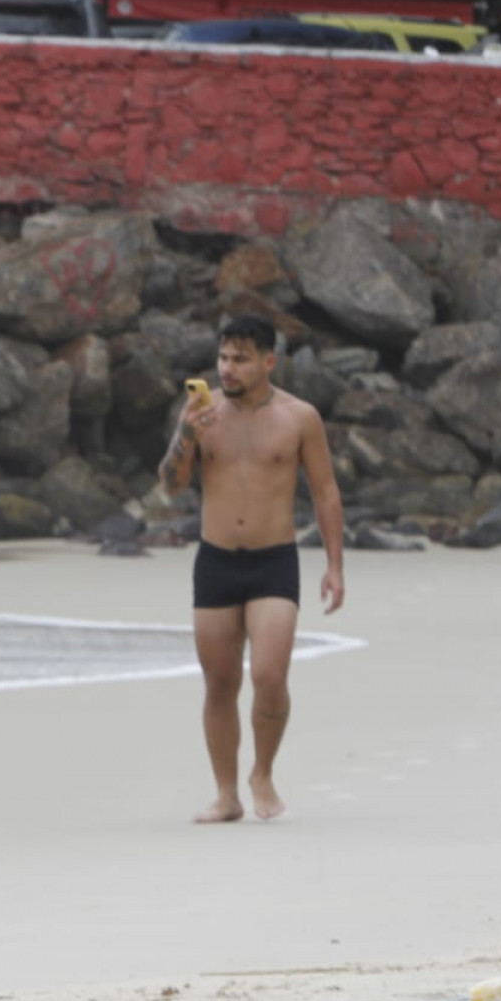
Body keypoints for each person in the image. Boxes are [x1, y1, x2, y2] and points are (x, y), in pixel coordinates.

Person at [157, 313, 346, 824]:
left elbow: (325, 491)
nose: (228, 369)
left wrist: (334, 565)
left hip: (273, 562)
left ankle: (262, 772)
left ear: (268, 361)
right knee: (219, 684)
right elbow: (171, 484)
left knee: (268, 674)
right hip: (215, 560)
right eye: (223, 358)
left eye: (240, 359)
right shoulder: (201, 413)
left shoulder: (299, 417)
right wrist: (184, 434)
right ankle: (226, 794)